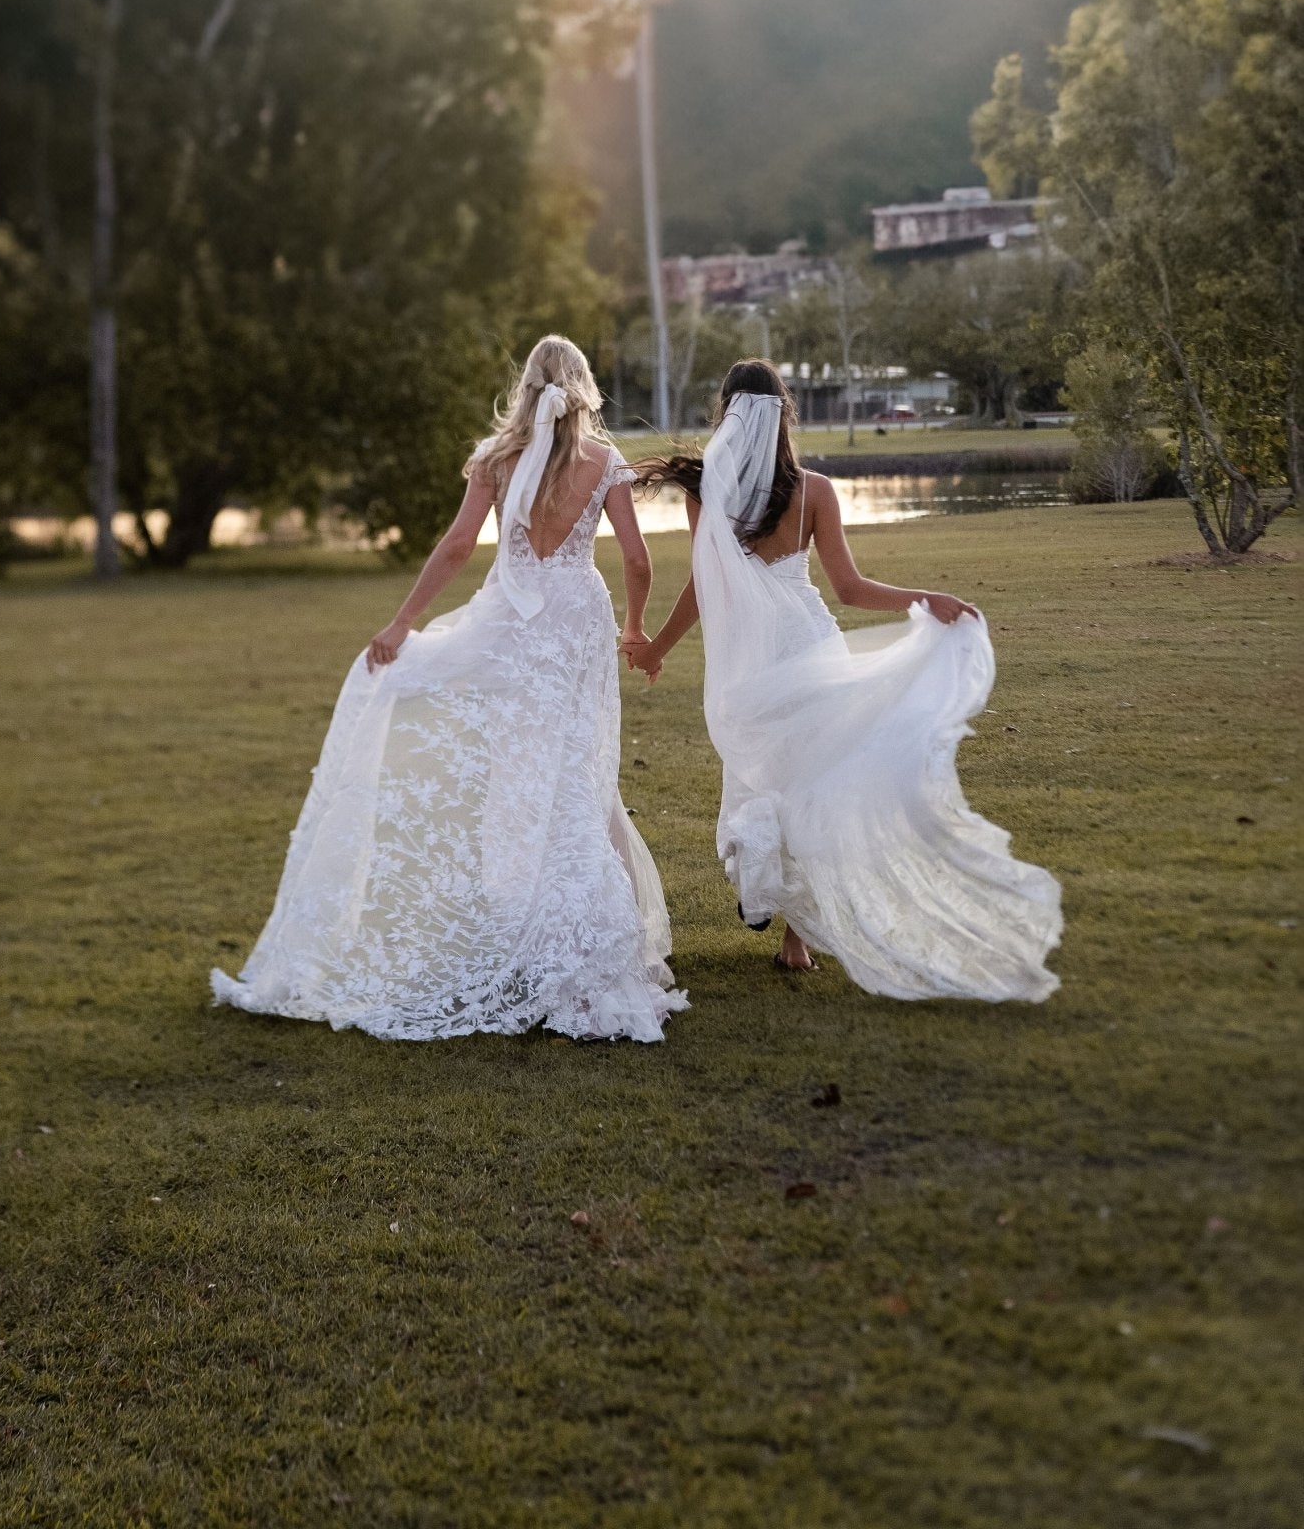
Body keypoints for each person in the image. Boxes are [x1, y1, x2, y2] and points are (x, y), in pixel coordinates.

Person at [212, 336, 687, 1043]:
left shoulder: (497, 458)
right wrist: (633, 627)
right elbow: (638, 559)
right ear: (585, 388)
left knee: (515, 766)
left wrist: (402, 624)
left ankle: (524, 924)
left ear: (526, 387)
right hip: (575, 621)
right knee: (577, 769)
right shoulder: (604, 462)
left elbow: (460, 546)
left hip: (513, 618)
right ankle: (579, 937)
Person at [629, 359, 1061, 999]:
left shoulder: (707, 495)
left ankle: (771, 898)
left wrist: (658, 646)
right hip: (809, 645)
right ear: (785, 416)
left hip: (752, 660)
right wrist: (926, 597)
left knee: (766, 774)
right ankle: (795, 939)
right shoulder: (814, 491)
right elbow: (851, 590)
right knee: (816, 783)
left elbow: (705, 585)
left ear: (726, 415)